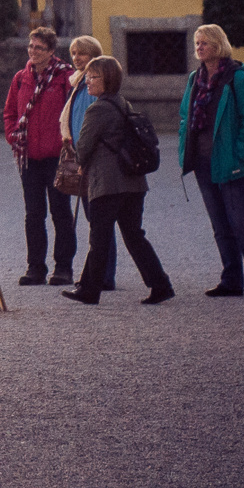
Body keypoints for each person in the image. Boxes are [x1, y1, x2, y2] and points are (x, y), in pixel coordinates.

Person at [62, 56, 174, 306]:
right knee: (134, 235)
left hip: (108, 183)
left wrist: (78, 157)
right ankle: (160, 284)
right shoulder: (124, 103)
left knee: (99, 238)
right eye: (87, 77)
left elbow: (83, 147)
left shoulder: (98, 108)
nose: (88, 82)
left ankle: (90, 290)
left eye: (93, 77)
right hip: (133, 182)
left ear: (108, 80)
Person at [182, 22, 244, 297]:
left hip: (232, 161)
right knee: (220, 225)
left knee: (241, 222)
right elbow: (185, 117)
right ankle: (232, 280)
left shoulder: (237, 78)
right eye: (197, 43)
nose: (199, 47)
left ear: (218, 45)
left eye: (205, 43)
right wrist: (183, 149)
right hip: (202, 161)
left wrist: (240, 152)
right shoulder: (194, 79)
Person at [1, 26, 77, 286]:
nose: (33, 51)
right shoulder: (21, 78)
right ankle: (35, 267)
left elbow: (74, 112)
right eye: (31, 46)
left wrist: (68, 143)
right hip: (28, 157)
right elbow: (10, 111)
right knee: (33, 214)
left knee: (61, 212)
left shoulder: (65, 77)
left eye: (39, 48)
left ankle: (63, 268)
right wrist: (13, 136)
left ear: (51, 51)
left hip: (57, 156)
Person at [60, 34, 114, 291]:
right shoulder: (79, 83)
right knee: (96, 219)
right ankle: (99, 273)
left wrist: (85, 153)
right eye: (73, 53)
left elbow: (94, 124)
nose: (76, 58)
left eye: (81, 53)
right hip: (82, 154)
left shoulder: (94, 85)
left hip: (94, 158)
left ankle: (104, 274)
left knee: (99, 220)